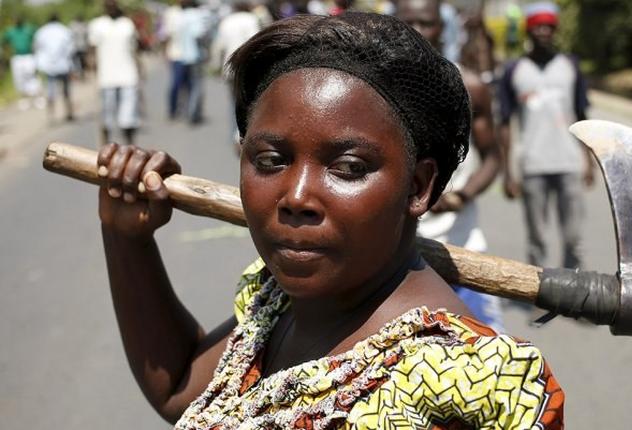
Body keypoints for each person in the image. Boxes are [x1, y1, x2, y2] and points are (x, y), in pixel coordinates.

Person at [95, 13, 563, 428]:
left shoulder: (458, 381)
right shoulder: (278, 305)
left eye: (349, 168)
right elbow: (182, 390)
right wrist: (126, 238)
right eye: (270, 159)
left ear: (418, 187)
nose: (296, 197)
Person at [397, 0, 504, 332]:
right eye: (408, 22)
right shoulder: (370, 86)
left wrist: (460, 195)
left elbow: (493, 158)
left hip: (460, 250)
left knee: (490, 364)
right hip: (391, 258)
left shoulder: (469, 87)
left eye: (426, 22)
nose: (417, 31)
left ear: (442, 26)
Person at [498, 1, 594, 269]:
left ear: (555, 30)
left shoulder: (570, 67)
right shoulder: (514, 71)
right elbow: (504, 123)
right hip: (532, 166)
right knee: (537, 238)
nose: (543, 32)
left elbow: (582, 113)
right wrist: (508, 171)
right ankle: (539, 296)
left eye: (548, 27)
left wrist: (589, 161)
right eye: (537, 26)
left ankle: (576, 293)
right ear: (529, 31)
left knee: (573, 236)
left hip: (569, 163)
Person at [89, 0, 142, 146]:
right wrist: (91, 69)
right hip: (106, 76)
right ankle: (105, 149)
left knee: (128, 116)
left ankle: (131, 149)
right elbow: (92, 51)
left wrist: (139, 69)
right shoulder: (97, 25)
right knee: (106, 115)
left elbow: (134, 49)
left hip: (128, 75)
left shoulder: (127, 24)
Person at [212, 0, 264, 145]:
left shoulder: (226, 21)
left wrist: (216, 66)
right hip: (248, 67)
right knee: (250, 101)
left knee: (233, 102)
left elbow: (219, 46)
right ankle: (244, 134)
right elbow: (256, 42)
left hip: (230, 67)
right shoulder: (251, 19)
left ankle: (235, 134)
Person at [33, 13, 75, 122]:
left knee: (50, 91)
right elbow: (71, 48)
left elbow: (37, 48)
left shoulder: (42, 31)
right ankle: (69, 113)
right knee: (66, 91)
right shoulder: (64, 30)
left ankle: (51, 116)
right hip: (63, 65)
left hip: (49, 67)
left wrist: (39, 64)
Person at [2, 18, 42, 110]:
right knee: (19, 79)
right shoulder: (10, 31)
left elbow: (37, 37)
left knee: (33, 76)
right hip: (17, 57)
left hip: (29, 56)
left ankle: (38, 98)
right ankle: (24, 99)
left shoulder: (28, 29)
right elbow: (3, 41)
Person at [70, 15, 90, 80]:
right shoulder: (83, 25)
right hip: (79, 47)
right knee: (78, 61)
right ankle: (79, 74)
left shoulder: (74, 25)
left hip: (80, 47)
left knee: (80, 61)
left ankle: (81, 74)